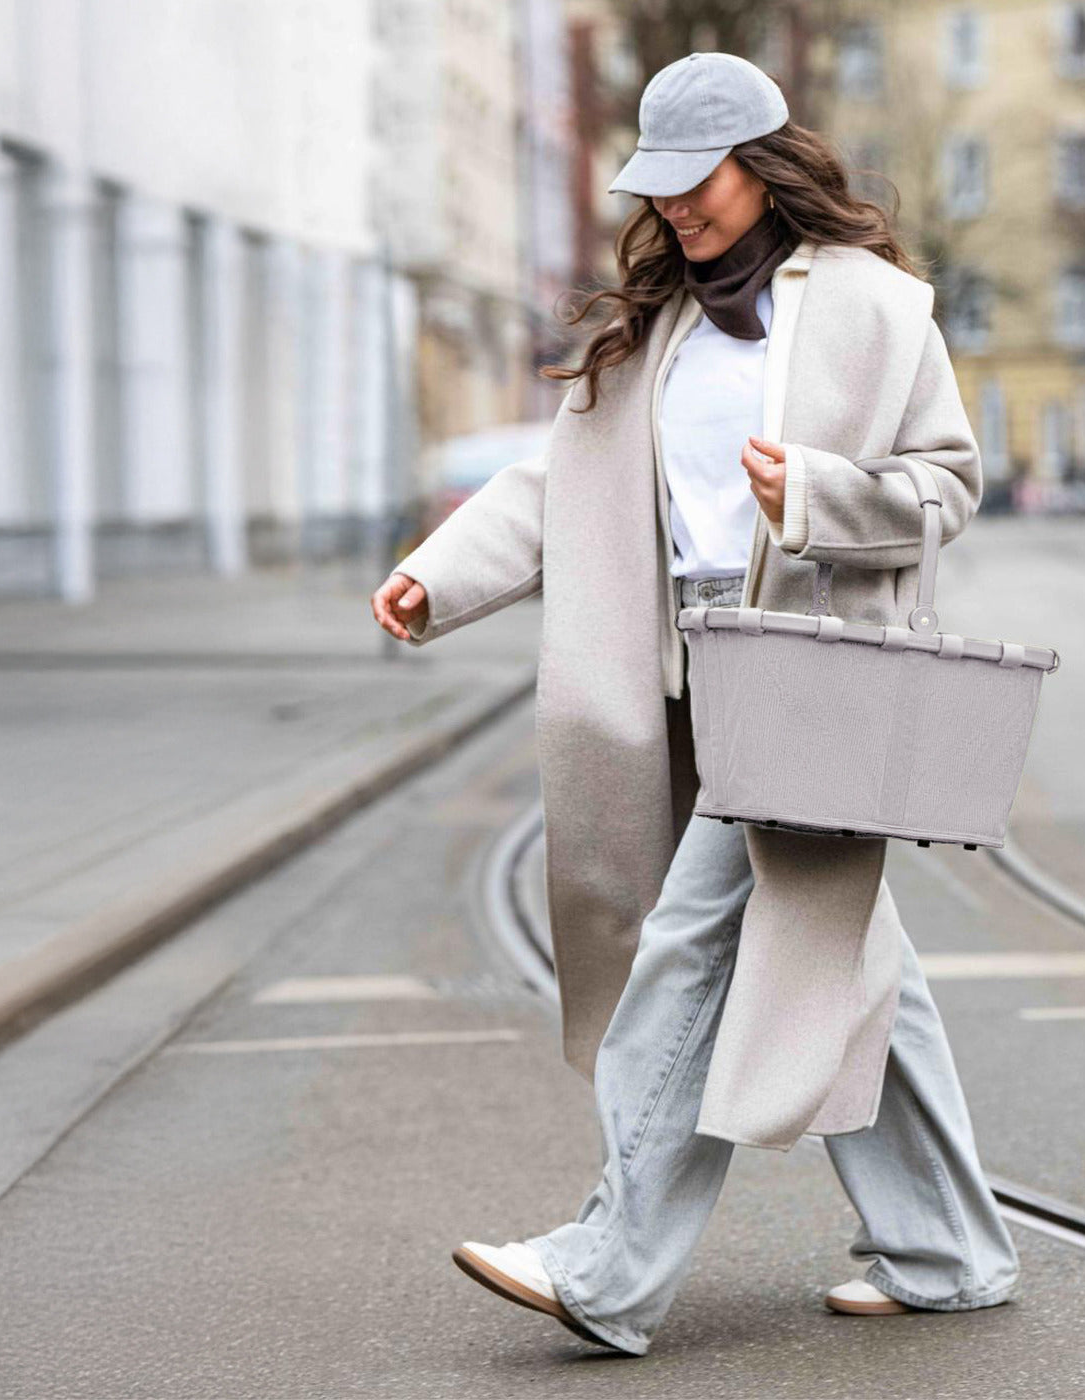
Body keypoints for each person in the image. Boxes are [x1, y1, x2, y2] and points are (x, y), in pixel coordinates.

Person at [371, 51, 1021, 1357]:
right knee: (847, 959)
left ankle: (610, 1268)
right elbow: (559, 485)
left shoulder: (873, 305)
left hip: (810, 674)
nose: (675, 207)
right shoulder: (657, 324)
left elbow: (947, 486)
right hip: (676, 673)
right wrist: (438, 577)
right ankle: (950, 1248)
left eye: (698, 181)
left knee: (690, 950)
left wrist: (819, 495)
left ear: (761, 166)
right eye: (657, 187)